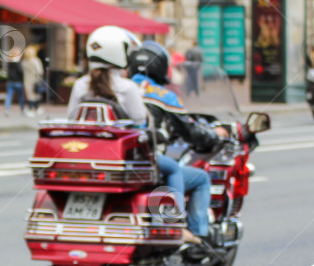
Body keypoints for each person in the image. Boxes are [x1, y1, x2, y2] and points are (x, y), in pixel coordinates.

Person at [128, 41, 229, 248]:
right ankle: (193, 234)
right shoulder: (163, 95)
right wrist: (215, 135)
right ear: (159, 66)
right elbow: (191, 131)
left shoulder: (122, 88)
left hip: (121, 162)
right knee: (200, 177)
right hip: (147, 162)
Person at [66, 25, 147, 125]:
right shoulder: (128, 87)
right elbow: (140, 120)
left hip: (85, 139)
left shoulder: (80, 84)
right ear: (119, 52)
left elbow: (71, 119)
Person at [22, 45, 44, 116]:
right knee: (35, 95)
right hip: (35, 80)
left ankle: (33, 109)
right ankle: (33, 109)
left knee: (30, 95)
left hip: (27, 81)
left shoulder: (24, 62)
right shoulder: (35, 61)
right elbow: (39, 71)